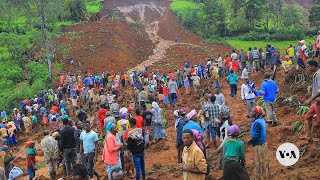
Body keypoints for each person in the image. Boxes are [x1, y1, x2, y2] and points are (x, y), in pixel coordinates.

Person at [247, 106, 270, 180]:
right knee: (264, 163)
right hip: (263, 144)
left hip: (258, 145)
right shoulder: (261, 120)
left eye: (252, 112)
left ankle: (259, 177)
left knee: (259, 163)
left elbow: (255, 136)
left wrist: (249, 141)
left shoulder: (256, 122)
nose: (251, 113)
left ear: (257, 113)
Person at [304, 60, 320, 141]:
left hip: (319, 102)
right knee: (308, 116)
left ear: (313, 66)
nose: (308, 69)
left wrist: (310, 99)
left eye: (308, 67)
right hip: (316, 102)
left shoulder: (318, 75)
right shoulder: (316, 74)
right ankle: (308, 136)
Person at [216, 105, 232, 170]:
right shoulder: (224, 121)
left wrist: (220, 147)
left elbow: (226, 137)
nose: (220, 113)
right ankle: (220, 168)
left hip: (225, 142)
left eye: (221, 113)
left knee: (224, 156)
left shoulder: (227, 123)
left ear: (224, 114)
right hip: (222, 141)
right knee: (222, 156)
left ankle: (223, 170)